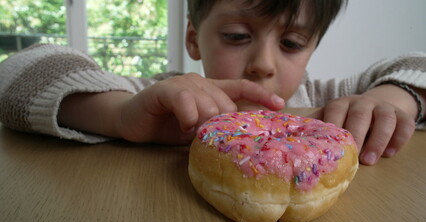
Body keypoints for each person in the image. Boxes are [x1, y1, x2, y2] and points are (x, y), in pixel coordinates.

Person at [0, 0, 425, 166]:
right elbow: (18, 71)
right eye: (237, 37)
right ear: (193, 40)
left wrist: (390, 101)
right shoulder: (160, 101)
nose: (262, 64)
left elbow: (416, 62)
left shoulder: (324, 104)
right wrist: (119, 115)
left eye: (292, 43)